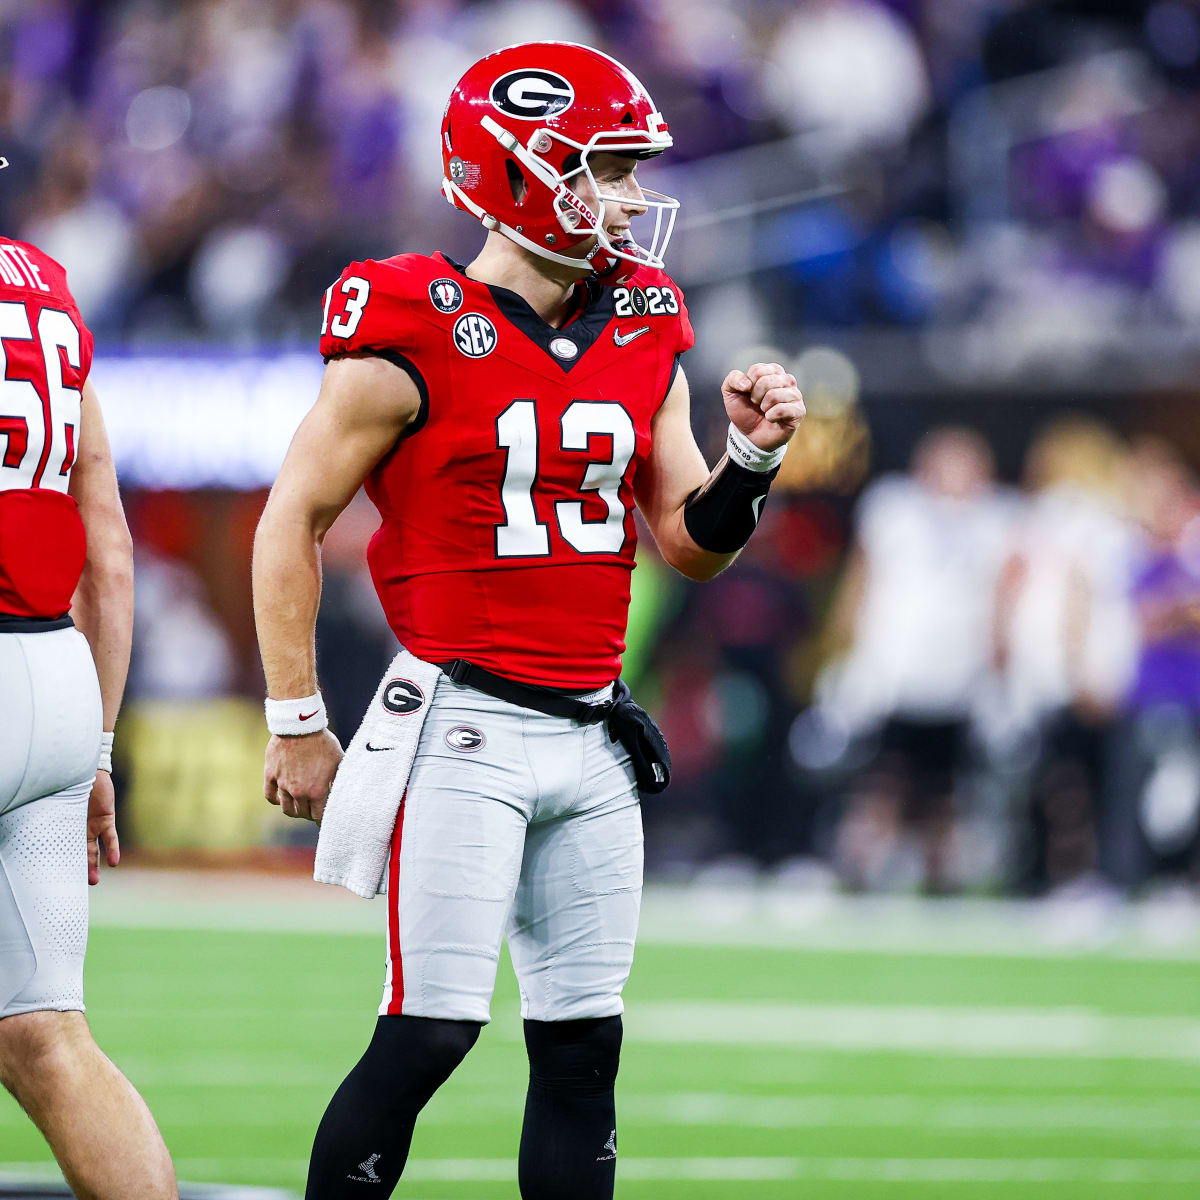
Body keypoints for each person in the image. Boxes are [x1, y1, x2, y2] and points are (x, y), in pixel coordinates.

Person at [252, 41, 804, 1200]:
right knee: (430, 1034)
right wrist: (296, 715)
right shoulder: (407, 313)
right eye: (599, 167)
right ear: (513, 171)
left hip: (595, 730)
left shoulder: (644, 314)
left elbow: (690, 543)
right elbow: (289, 518)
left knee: (582, 1048)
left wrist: (751, 459)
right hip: (465, 719)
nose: (626, 197)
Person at [0, 233, 177, 1198]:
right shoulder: (46, 293)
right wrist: (98, 746)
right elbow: (107, 548)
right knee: (46, 1035)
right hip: (54, 684)